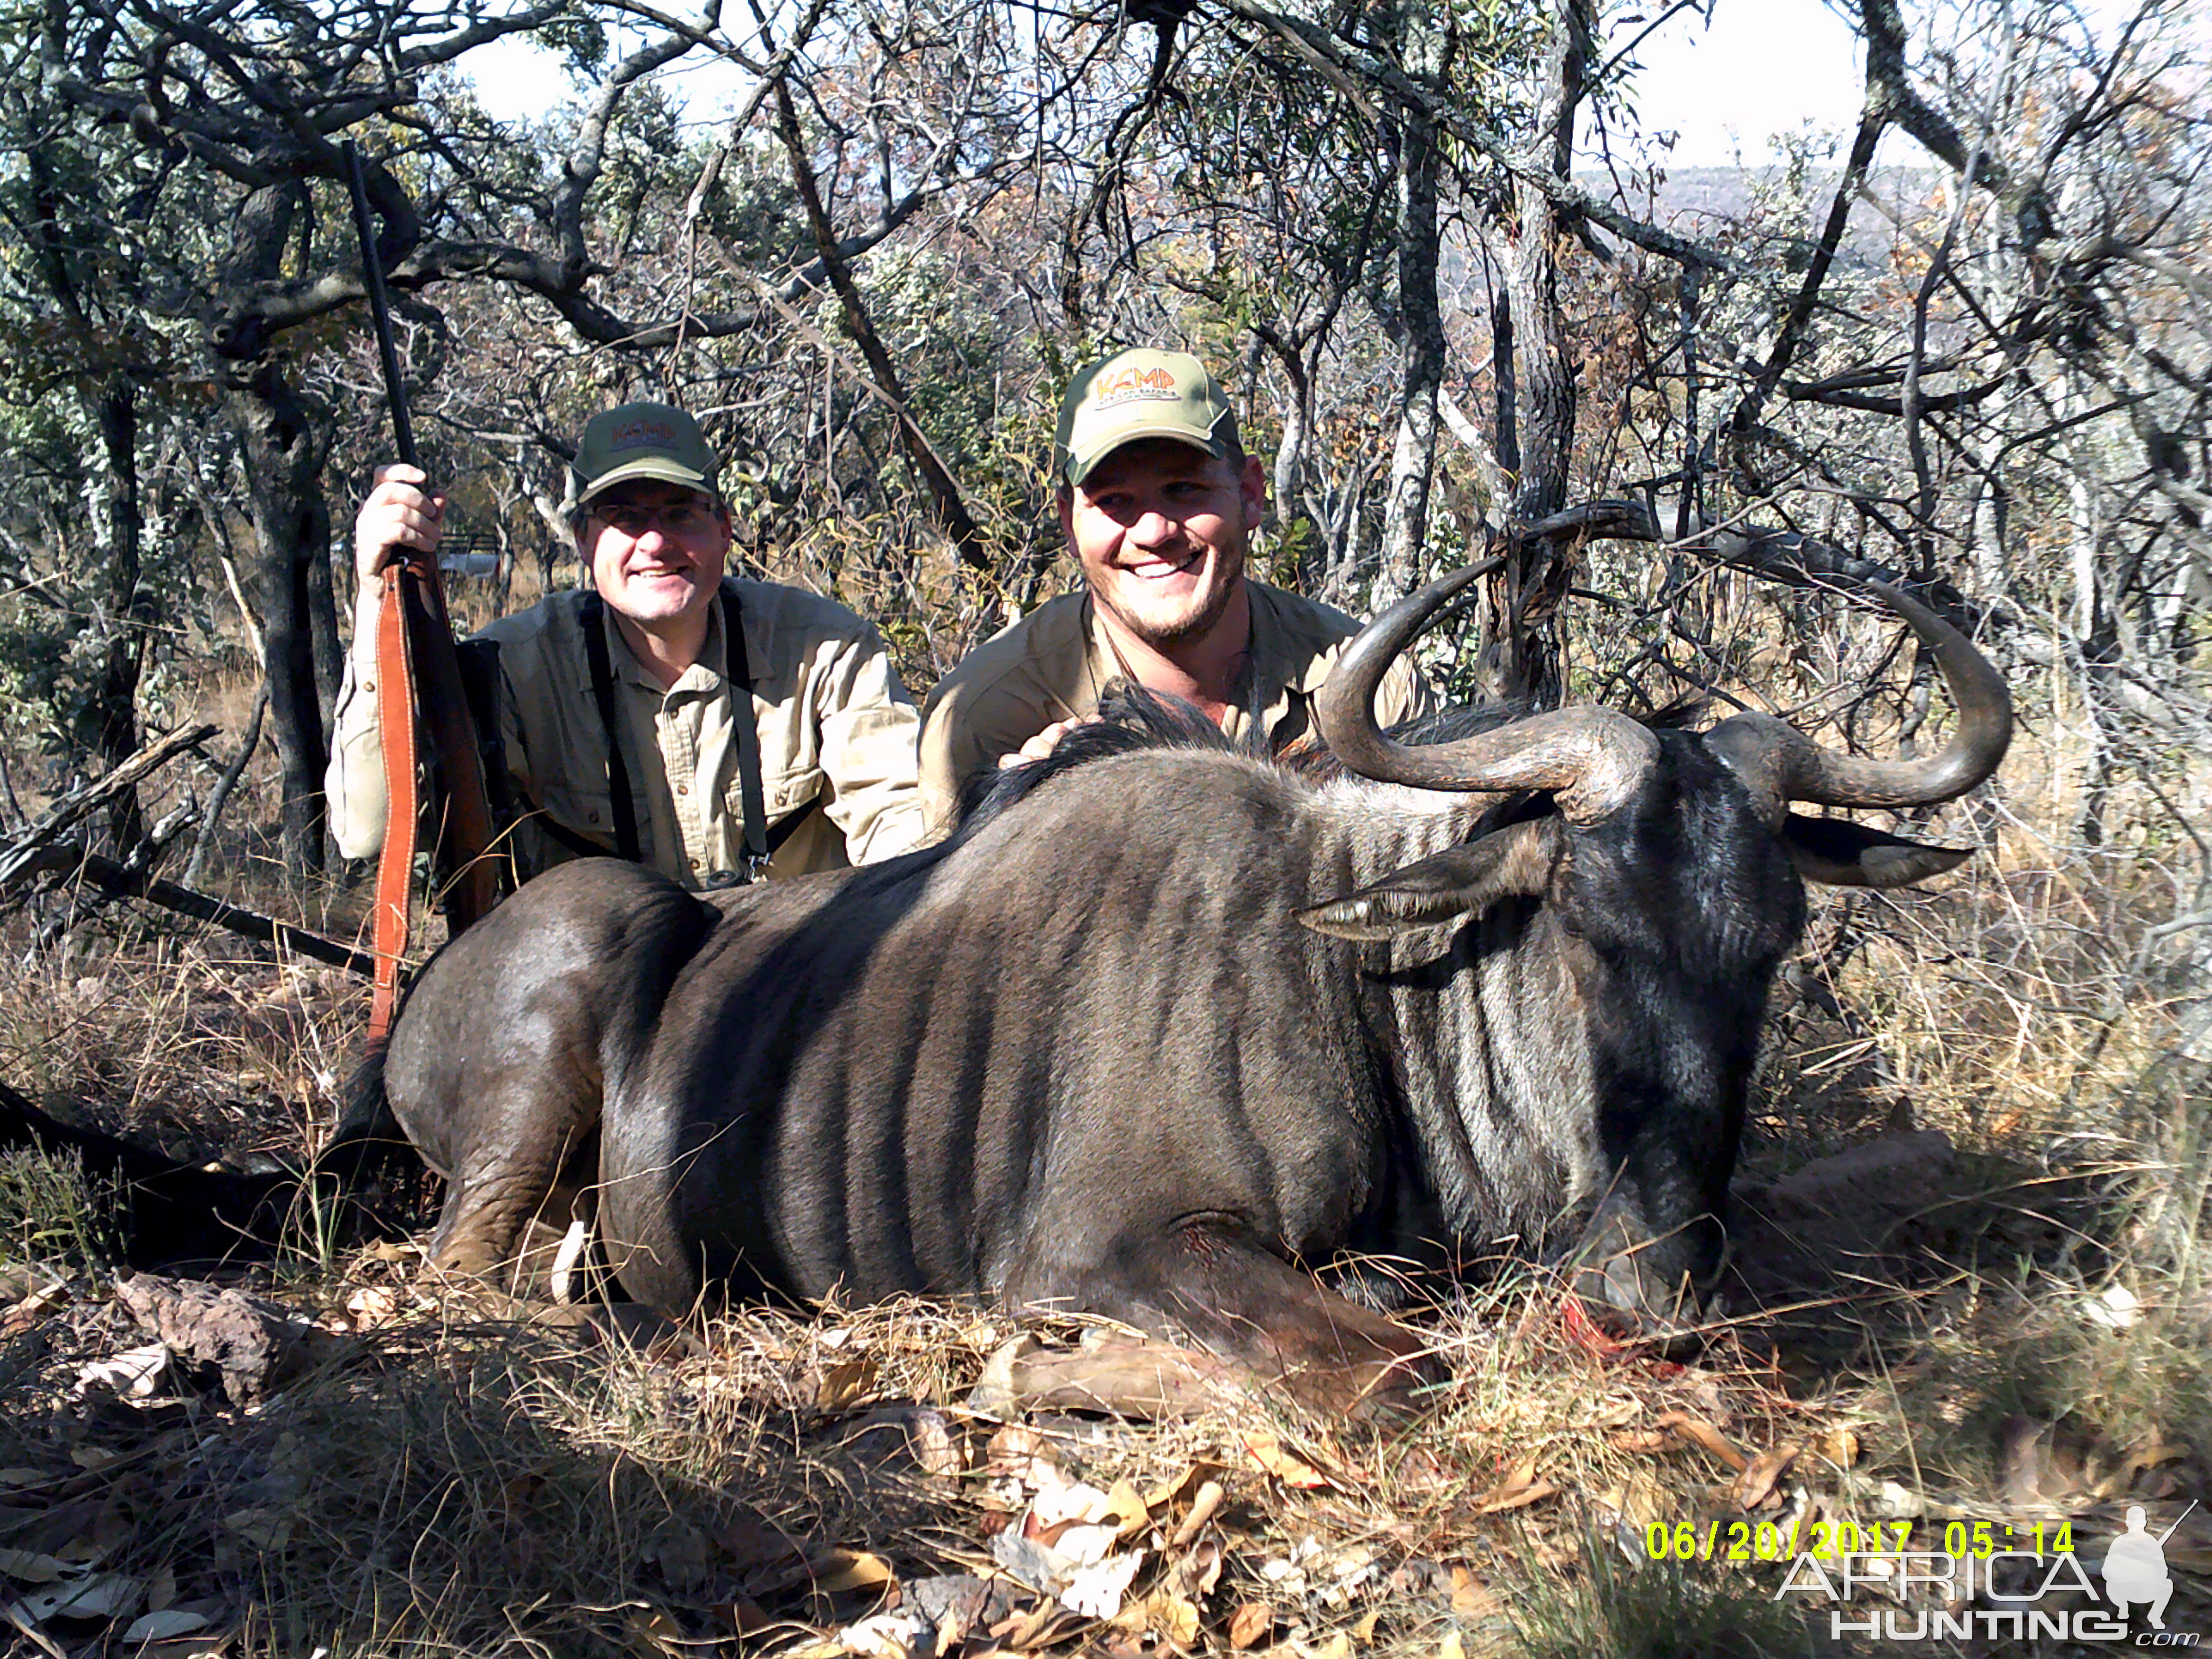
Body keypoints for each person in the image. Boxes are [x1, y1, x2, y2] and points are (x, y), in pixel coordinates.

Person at [327, 400, 926, 888]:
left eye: (679, 513)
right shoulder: (510, 670)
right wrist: (378, 599)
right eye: (626, 518)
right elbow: (370, 835)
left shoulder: (827, 648)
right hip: (593, 1015)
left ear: (725, 530)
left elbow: (905, 836)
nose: (655, 542)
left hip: (788, 999)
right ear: (585, 541)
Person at [918, 348, 1433, 834]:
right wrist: (1013, 828)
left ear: (1250, 495)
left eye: (1183, 490)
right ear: (1070, 525)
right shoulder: (982, 718)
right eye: (1113, 500)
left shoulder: (1372, 687)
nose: (1153, 532)